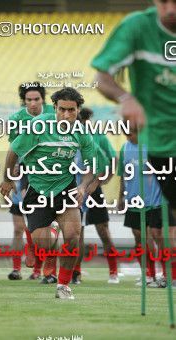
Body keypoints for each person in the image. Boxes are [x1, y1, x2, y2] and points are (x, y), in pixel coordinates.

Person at [91, 0, 176, 280]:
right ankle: (159, 274)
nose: (171, 8)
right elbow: (102, 77)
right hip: (162, 144)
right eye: (165, 1)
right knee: (154, 231)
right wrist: (126, 98)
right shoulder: (137, 27)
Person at [0, 87, 109, 299]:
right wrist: (6, 179)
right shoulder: (39, 126)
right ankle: (50, 230)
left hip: (65, 188)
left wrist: (83, 186)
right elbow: (13, 151)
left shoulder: (82, 133)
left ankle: (64, 285)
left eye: (71, 110)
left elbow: (90, 167)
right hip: (38, 190)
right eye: (62, 110)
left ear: (78, 110)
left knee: (73, 236)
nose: (66, 115)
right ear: (55, 108)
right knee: (45, 245)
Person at [8, 81, 57, 282]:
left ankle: (43, 270)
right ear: (24, 101)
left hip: (48, 175)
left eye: (37, 99)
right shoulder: (16, 120)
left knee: (42, 227)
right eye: (29, 100)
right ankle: (17, 269)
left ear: (43, 99)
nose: (33, 103)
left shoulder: (53, 117)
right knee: (21, 226)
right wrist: (11, 173)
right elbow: (13, 149)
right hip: (23, 175)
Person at [118, 127, 175, 287]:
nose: (128, 137)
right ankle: (149, 274)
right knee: (139, 238)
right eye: (126, 134)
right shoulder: (125, 148)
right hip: (134, 200)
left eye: (131, 134)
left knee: (156, 237)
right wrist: (121, 195)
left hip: (155, 200)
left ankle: (166, 274)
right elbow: (123, 174)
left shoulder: (153, 147)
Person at [72, 108, 119, 284]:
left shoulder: (97, 136)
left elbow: (112, 158)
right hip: (75, 189)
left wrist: (101, 181)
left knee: (103, 231)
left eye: (85, 122)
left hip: (92, 188)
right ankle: (76, 273)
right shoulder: (70, 137)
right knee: (77, 232)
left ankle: (113, 271)